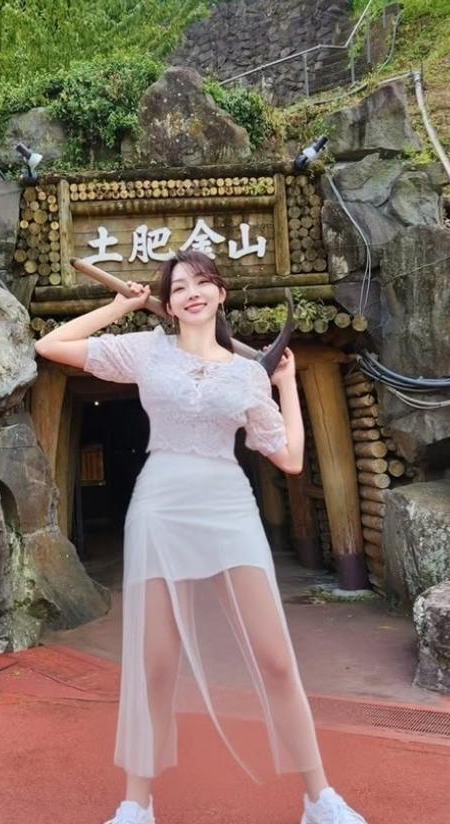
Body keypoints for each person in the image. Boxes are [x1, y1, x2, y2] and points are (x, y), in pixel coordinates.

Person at [35, 250, 369, 824]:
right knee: (157, 663)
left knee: (276, 659)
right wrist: (120, 307)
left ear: (220, 293)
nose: (191, 292)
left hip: (228, 507)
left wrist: (286, 384)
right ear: (168, 304)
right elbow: (51, 345)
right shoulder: (148, 350)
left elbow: (290, 458)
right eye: (179, 287)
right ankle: (137, 804)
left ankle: (319, 799)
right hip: (161, 507)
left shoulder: (247, 373)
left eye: (202, 282)